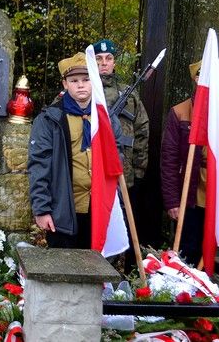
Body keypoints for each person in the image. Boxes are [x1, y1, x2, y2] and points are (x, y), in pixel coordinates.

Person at [27, 52, 124, 249]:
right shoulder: (49, 120)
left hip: (99, 209)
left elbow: (118, 160)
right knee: (64, 263)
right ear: (65, 84)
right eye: (74, 80)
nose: (81, 85)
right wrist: (42, 209)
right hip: (63, 210)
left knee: (97, 262)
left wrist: (117, 200)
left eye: (86, 79)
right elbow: (39, 165)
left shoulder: (106, 118)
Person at [160, 59, 219, 265]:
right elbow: (169, 159)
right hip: (191, 192)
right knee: (187, 249)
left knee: (214, 251)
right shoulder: (180, 112)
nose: (218, 81)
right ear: (198, 79)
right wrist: (172, 200)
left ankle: (209, 284)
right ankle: (185, 284)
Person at [93, 38, 149, 271]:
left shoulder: (130, 94)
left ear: (114, 62)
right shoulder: (85, 90)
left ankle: (114, 272)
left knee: (120, 222)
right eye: (99, 59)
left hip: (123, 172)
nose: (104, 63)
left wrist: (138, 169)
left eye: (108, 59)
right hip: (93, 170)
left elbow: (142, 130)